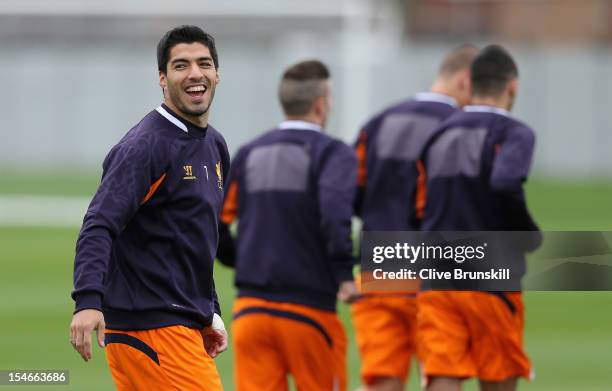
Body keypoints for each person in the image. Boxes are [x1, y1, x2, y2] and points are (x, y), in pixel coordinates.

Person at [69, 25, 229, 390]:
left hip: (179, 325)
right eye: (180, 65)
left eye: (203, 63)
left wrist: (209, 311)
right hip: (150, 329)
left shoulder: (214, 145)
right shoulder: (145, 146)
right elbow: (99, 224)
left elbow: (197, 237)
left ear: (217, 74)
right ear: (162, 78)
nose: (194, 73)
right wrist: (88, 301)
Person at [217, 60, 358, 391]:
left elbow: (216, 224)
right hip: (309, 310)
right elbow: (334, 214)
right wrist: (343, 274)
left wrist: (244, 259)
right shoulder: (334, 153)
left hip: (250, 310)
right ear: (322, 105)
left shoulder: (250, 152)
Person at [351, 45, 478, 391]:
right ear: (466, 80)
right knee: (441, 374)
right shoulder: (463, 128)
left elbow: (351, 193)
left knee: (382, 379)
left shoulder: (378, 122)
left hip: (380, 264)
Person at [417, 45, 539, 391]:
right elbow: (504, 181)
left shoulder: (437, 133)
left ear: (469, 84)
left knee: (442, 369)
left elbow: (419, 203)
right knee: (498, 371)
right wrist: (526, 233)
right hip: (490, 270)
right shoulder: (514, 132)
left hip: (437, 269)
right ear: (512, 86)